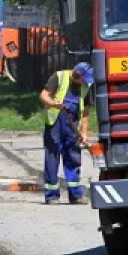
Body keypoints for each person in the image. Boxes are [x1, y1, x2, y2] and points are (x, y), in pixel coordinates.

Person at [38, 62, 94, 204]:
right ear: (77, 74)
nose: (84, 82)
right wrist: (53, 103)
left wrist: (85, 133)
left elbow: (86, 112)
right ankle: (51, 195)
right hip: (55, 123)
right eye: (83, 78)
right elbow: (43, 95)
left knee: (73, 157)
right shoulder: (59, 76)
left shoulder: (86, 86)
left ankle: (75, 195)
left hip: (72, 124)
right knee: (52, 156)